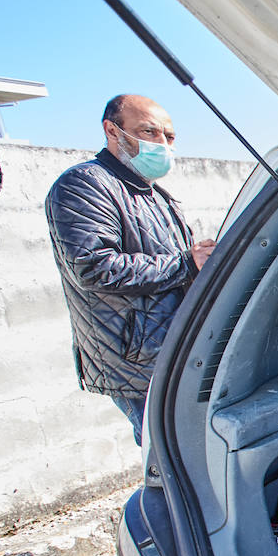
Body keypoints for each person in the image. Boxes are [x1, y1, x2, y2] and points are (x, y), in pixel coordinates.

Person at [46, 94, 215, 445]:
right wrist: (187, 262)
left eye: (169, 137)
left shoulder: (154, 195)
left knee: (194, 449)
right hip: (138, 356)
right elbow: (94, 267)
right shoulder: (86, 185)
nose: (162, 144)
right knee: (171, 458)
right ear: (112, 130)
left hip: (171, 348)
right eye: (149, 132)